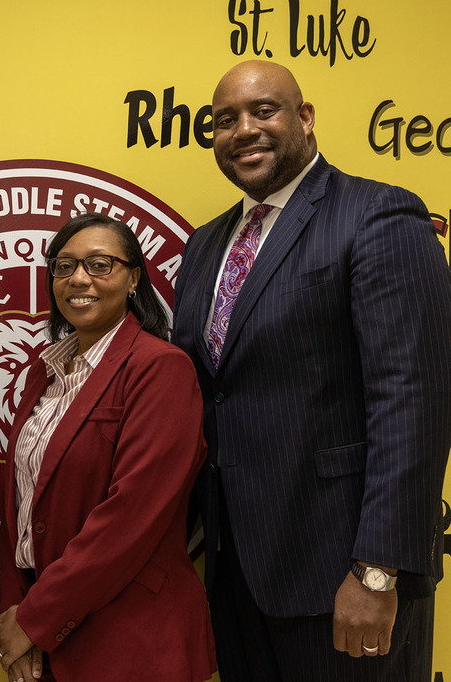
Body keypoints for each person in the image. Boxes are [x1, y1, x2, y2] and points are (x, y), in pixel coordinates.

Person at [172, 60, 451, 681]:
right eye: (224, 120)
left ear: (306, 118)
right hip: (236, 574)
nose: (243, 129)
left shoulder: (378, 216)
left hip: (345, 578)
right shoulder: (204, 246)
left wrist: (377, 572)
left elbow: (414, 404)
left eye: (263, 111)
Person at [0, 213, 216, 682]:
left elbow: (131, 516)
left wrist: (35, 621)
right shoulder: (43, 373)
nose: (78, 278)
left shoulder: (161, 369)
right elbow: (19, 506)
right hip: (44, 637)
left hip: (131, 637)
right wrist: (15, 612)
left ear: (134, 278)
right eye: (64, 265)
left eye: (99, 264)